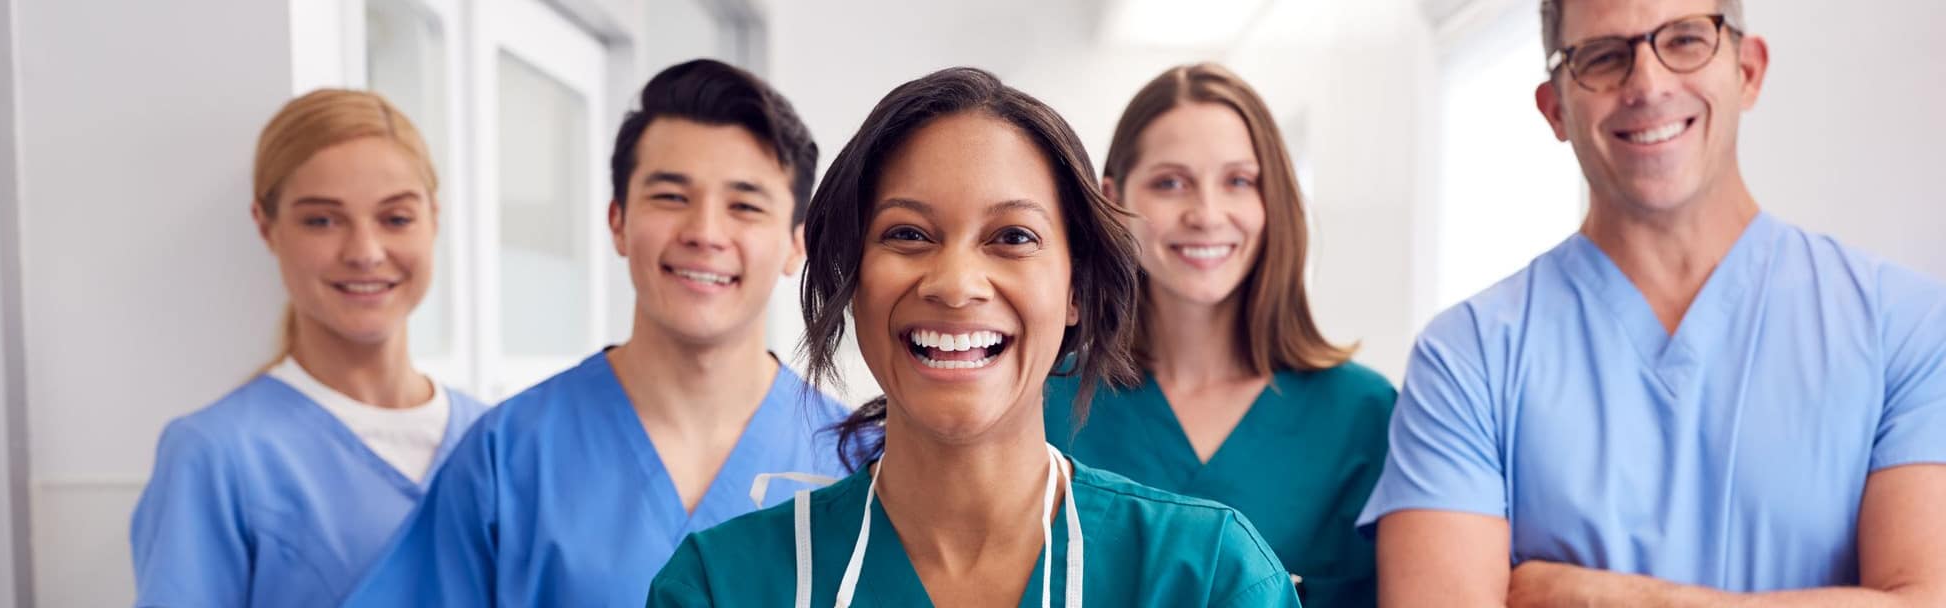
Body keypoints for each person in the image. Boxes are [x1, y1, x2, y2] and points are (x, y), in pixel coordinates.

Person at [1360, 1, 1946, 606]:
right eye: (1604, 57)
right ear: (1555, 108)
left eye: (1687, 40)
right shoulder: (1467, 356)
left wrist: (1594, 596)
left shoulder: (1906, 327)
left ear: (1748, 70)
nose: (1647, 83)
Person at [647, 67, 1301, 608]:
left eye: (1012, 237)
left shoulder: (1209, 578)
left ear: (1076, 290)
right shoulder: (720, 586)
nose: (956, 284)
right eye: (907, 234)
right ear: (853, 276)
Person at [342, 59, 847, 607]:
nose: (704, 233)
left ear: (797, 242)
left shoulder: (860, 462)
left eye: (744, 206)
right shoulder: (508, 458)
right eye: (671, 197)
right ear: (618, 222)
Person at [1045, 62, 1393, 607]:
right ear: (1114, 202)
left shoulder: (1365, 416)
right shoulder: (1045, 403)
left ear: (1272, 200)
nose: (1206, 214)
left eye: (1238, 181)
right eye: (1170, 183)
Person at [130, 89, 487, 607]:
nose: (365, 252)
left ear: (434, 218)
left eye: (396, 219)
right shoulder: (217, 456)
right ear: (266, 226)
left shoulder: (495, 439)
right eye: (322, 220)